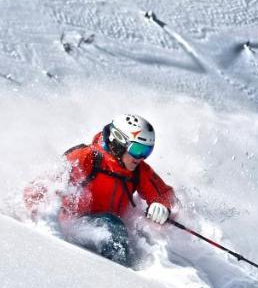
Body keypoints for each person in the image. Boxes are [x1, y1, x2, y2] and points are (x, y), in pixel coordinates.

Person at [25, 114, 176, 267]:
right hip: (73, 225)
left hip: (112, 228)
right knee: (111, 226)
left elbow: (164, 193)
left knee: (116, 227)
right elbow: (43, 186)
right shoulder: (85, 157)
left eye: (147, 151)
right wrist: (46, 221)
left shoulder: (138, 170)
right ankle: (123, 275)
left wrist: (162, 206)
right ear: (118, 141)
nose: (141, 157)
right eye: (137, 149)